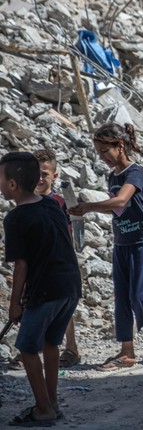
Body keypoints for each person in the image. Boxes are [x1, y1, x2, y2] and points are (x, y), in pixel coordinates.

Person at [69, 123, 143, 371]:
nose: (102, 157)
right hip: (122, 241)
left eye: (105, 150)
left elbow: (122, 200)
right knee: (122, 297)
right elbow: (117, 208)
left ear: (120, 145)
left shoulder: (134, 173)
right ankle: (127, 351)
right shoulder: (112, 176)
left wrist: (89, 206)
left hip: (142, 240)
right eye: (99, 151)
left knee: (141, 294)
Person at [1, 152, 82, 425]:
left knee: (26, 347)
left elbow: (21, 266)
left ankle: (43, 409)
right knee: (50, 342)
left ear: (12, 185)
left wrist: (15, 305)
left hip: (46, 290)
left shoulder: (15, 218)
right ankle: (52, 403)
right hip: (70, 285)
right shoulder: (51, 205)